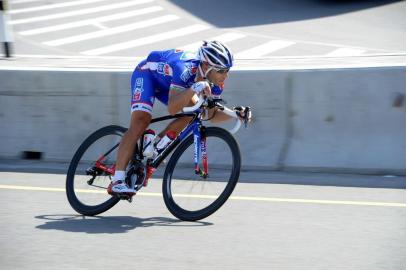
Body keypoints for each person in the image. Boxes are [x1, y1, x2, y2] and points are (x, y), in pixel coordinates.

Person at [108, 40, 251, 196]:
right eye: (221, 70)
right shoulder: (185, 69)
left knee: (196, 112)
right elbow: (173, 108)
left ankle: (154, 146)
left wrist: (234, 114)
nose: (226, 75)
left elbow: (210, 114)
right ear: (206, 66)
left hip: (171, 84)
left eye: (227, 70)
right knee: (140, 122)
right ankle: (117, 180)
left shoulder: (216, 81)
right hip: (147, 75)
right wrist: (194, 88)